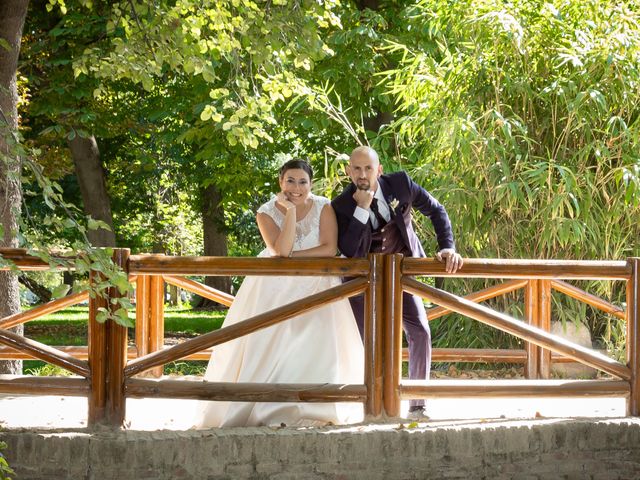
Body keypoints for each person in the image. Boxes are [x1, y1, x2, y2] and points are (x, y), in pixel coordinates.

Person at [196, 159, 364, 428]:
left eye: (302, 182)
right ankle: (266, 407)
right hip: (274, 287)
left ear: (311, 183)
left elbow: (329, 248)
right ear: (280, 182)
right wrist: (289, 213)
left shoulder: (323, 206)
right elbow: (280, 250)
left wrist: (294, 258)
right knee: (270, 341)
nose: (296, 188)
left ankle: (316, 407)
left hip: (317, 284)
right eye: (290, 181)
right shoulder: (265, 213)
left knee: (317, 344)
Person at [331, 146, 463, 419]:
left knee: (420, 332)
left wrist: (447, 247)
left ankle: (418, 403)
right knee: (363, 340)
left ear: (379, 169)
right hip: (360, 279)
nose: (362, 174)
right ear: (348, 171)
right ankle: (373, 404)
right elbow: (349, 248)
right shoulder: (341, 206)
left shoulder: (400, 184)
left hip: (401, 273)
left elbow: (437, 210)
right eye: (356, 168)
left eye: (368, 168)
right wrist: (362, 209)